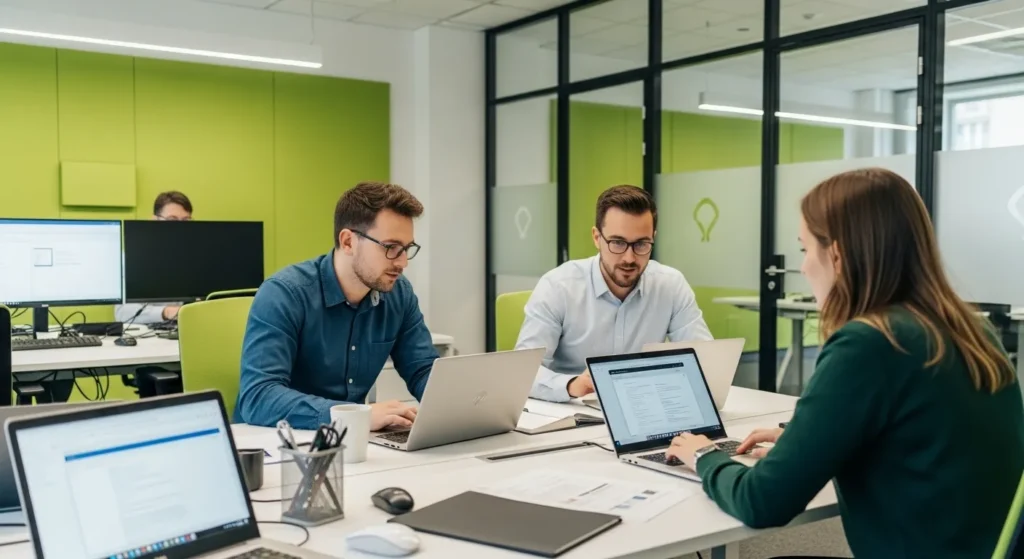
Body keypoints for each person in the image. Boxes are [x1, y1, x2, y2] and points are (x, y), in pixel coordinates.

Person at [666, 168, 1024, 558]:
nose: (803, 268)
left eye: (805, 250)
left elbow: (762, 502)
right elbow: (925, 440)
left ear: (836, 253)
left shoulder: (869, 343)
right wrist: (807, 443)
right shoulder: (969, 330)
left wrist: (702, 454)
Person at [235, 182, 436, 431]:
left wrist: (459, 407)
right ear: (348, 241)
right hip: (278, 443)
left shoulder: (398, 294)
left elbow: (423, 369)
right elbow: (259, 397)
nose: (403, 262)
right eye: (391, 248)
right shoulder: (284, 293)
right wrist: (354, 416)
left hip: (352, 442)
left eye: (407, 249)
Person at [515, 185, 711, 403]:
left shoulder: (671, 285)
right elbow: (522, 373)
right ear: (597, 237)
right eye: (617, 242)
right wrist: (572, 385)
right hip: (572, 413)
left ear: (653, 238)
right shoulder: (558, 286)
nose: (629, 257)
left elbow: (706, 361)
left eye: (641, 244)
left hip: (645, 407)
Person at [114, 191, 193, 325]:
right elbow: (122, 313)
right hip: (147, 337)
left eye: (186, 221)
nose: (180, 227)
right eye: (172, 220)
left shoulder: (195, 255)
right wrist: (166, 312)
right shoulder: (134, 256)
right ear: (155, 220)